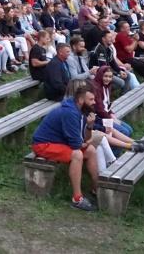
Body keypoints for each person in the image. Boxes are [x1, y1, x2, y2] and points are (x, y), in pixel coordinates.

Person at [31, 83, 100, 212]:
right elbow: (76, 145)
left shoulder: (80, 110)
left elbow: (84, 139)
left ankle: (97, 189)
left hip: (58, 143)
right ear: (81, 100)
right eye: (91, 99)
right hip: (42, 145)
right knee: (77, 155)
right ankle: (77, 199)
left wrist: (90, 126)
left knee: (90, 150)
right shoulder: (70, 112)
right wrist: (85, 143)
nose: (94, 102)